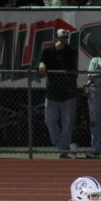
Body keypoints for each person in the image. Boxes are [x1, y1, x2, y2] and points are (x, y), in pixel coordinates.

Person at [38, 29, 79, 158]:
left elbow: (68, 66)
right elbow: (41, 63)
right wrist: (42, 64)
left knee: (67, 124)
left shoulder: (71, 52)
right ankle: (59, 143)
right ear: (55, 38)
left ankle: (63, 151)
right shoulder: (47, 51)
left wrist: (59, 51)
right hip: (52, 94)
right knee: (49, 121)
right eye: (61, 38)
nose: (63, 40)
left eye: (65, 38)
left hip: (68, 94)